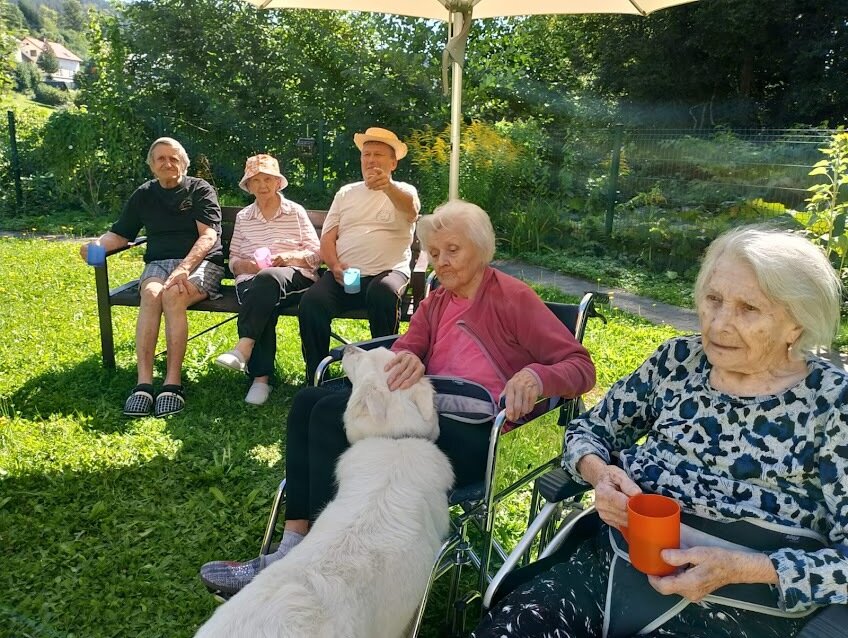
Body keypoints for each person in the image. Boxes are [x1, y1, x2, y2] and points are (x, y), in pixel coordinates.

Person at [199, 200, 597, 595]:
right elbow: (409, 344)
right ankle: (293, 545)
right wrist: (409, 356)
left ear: (481, 248)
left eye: (453, 250)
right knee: (308, 401)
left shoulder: (512, 298)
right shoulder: (439, 299)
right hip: (425, 414)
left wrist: (536, 377)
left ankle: (314, 563)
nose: (442, 262)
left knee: (328, 416)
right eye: (435, 253)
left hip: (478, 435)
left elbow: (580, 367)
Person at [473, 226, 848, 638]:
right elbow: (589, 429)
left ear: (796, 324)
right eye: (713, 299)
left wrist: (748, 568)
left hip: (739, 604)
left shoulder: (833, 402)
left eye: (748, 309)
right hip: (615, 566)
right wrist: (599, 474)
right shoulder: (678, 361)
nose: (719, 323)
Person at [79, 137, 224, 418]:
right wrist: (96, 245)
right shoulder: (144, 194)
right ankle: (143, 384)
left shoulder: (199, 189)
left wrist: (184, 267)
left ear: (184, 163)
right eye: (161, 159)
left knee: (173, 295)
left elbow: (208, 236)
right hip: (158, 262)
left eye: (173, 158)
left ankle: (172, 384)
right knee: (150, 293)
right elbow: (121, 234)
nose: (168, 163)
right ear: (152, 165)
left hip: (201, 262)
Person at [297, 126, 420, 384]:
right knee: (312, 302)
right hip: (346, 275)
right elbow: (327, 238)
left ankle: (385, 374)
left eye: (378, 154)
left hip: (388, 273)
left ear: (393, 163)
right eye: (366, 154)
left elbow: (410, 211)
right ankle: (316, 376)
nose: (371, 160)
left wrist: (388, 187)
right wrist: (334, 266)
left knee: (383, 292)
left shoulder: (404, 191)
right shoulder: (346, 193)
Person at [213, 154, 321, 405]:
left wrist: (290, 257)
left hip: (294, 277)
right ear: (248, 186)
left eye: (268, 179)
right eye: (256, 180)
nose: (263, 185)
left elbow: (317, 254)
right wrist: (246, 265)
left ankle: (246, 354)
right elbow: (234, 258)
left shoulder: (295, 212)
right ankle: (260, 380)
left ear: (278, 182)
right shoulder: (244, 217)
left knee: (267, 280)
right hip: (253, 281)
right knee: (263, 294)